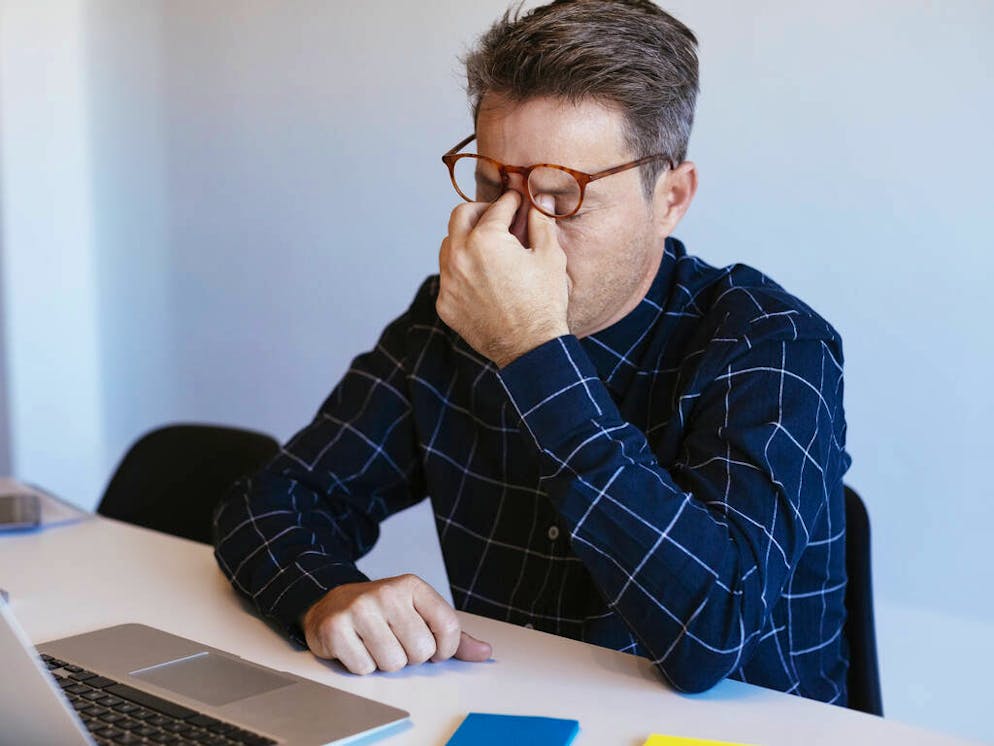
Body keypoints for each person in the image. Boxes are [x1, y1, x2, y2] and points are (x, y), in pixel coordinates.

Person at [214, 0, 851, 705]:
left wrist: (533, 351)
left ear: (671, 197)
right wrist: (323, 595)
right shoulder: (451, 316)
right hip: (517, 715)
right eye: (493, 185)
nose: (516, 231)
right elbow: (276, 501)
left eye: (564, 196)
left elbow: (714, 636)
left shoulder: (772, 344)